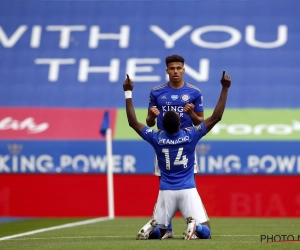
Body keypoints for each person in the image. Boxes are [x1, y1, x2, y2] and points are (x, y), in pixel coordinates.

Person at [123, 70, 232, 240]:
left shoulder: (156, 138)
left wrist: (128, 92)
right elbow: (216, 116)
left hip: (166, 191)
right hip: (187, 189)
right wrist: (225, 88)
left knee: (162, 232)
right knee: (207, 232)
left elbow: (132, 122)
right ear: (180, 123)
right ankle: (195, 226)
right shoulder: (190, 135)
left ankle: (153, 230)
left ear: (163, 127)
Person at [146, 54, 205, 238]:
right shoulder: (156, 92)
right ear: (166, 70)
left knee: (190, 182)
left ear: (184, 69)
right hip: (164, 145)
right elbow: (148, 123)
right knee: (164, 183)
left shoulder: (194, 92)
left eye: (179, 68)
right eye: (172, 68)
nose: (175, 71)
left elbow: (200, 122)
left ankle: (192, 224)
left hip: (186, 144)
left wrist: (192, 114)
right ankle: (167, 229)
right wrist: (152, 117)